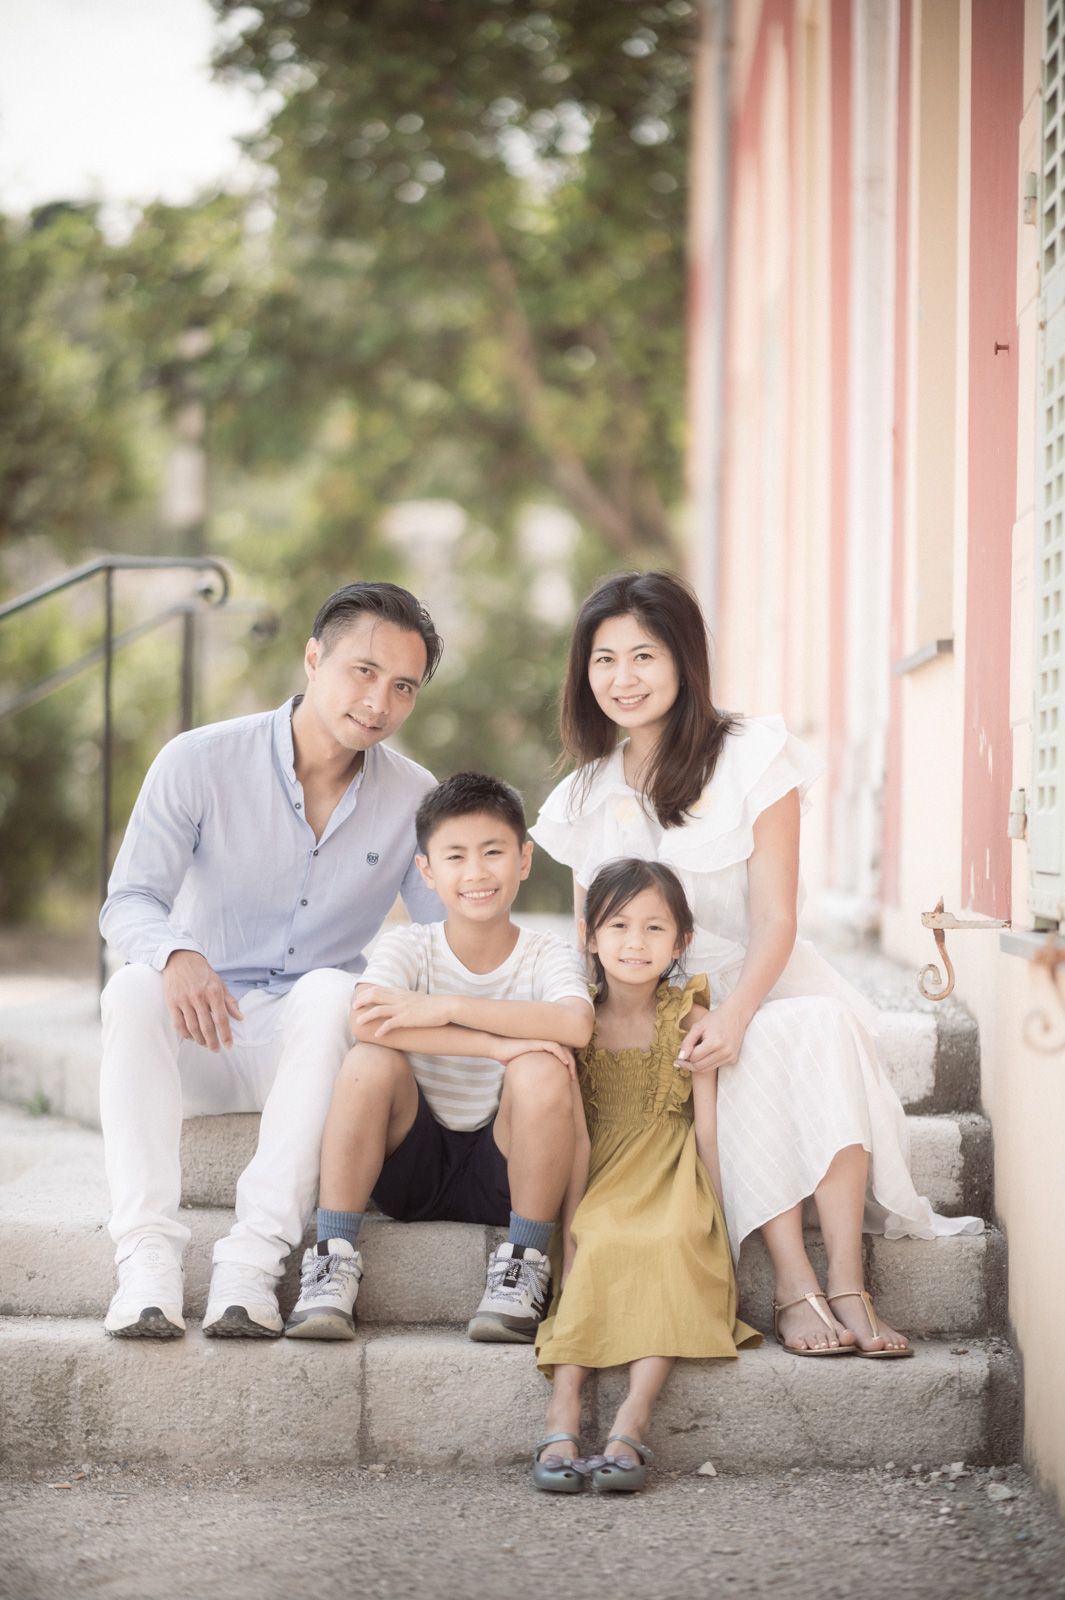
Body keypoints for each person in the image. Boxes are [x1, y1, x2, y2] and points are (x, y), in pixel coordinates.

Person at [530, 570, 983, 1360]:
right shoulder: (582, 796)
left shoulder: (752, 756)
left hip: (756, 980)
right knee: (727, 1057)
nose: (622, 679)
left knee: (812, 1030)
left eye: (643, 656)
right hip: (651, 1004)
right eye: (603, 660)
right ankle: (791, 1281)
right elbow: (586, 934)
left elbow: (777, 916)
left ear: (683, 660)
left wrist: (734, 1012)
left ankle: (846, 1278)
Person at [99, 580, 445, 1340]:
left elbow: (449, 936)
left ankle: (251, 1268)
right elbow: (127, 902)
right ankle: (146, 1261)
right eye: (362, 671)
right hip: (200, 1029)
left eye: (402, 688)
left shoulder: (416, 797)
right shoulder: (199, 760)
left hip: (308, 1044)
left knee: (331, 990)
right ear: (313, 657)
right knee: (129, 990)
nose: (377, 703)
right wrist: (178, 953)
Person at [283, 771, 595, 1344]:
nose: (475, 873)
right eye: (455, 856)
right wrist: (496, 1043)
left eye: (493, 852)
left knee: (544, 1066)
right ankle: (332, 1259)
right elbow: (367, 1020)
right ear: (427, 871)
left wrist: (442, 1008)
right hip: (410, 1162)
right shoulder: (409, 945)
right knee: (370, 1060)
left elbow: (575, 1022)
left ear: (524, 860)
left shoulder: (547, 954)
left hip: (507, 1169)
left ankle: (522, 1262)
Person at [532, 858, 759, 1495]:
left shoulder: (688, 1017)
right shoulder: (577, 1022)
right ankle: (564, 1409)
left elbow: (708, 1129)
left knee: (667, 1243)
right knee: (599, 1244)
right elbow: (574, 1139)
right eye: (619, 925)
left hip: (671, 1171)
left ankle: (632, 1420)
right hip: (601, 1169)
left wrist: (719, 1217)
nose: (635, 942)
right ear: (589, 935)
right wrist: (569, 1230)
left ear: (681, 941)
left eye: (655, 928)